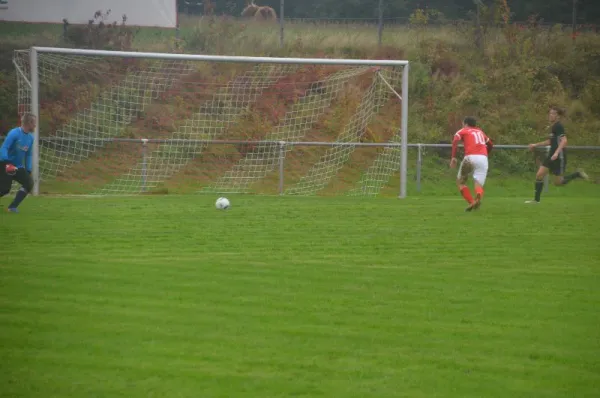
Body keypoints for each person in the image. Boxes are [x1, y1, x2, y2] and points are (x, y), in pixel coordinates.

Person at [525, 106, 588, 204]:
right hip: (551, 156)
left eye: (553, 113)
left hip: (559, 157)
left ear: (558, 116)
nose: (551, 115)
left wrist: (556, 153)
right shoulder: (553, 127)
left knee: (558, 182)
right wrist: (535, 144)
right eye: (550, 113)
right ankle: (536, 200)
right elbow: (550, 141)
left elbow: (564, 141)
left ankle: (577, 174)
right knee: (539, 175)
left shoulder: (559, 126)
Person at [450, 116, 493, 212]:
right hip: (483, 158)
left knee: (460, 182)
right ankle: (478, 196)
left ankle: (471, 202)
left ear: (465, 124)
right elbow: (490, 144)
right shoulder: (481, 132)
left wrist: (453, 157)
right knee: (478, 184)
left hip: (470, 157)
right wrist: (486, 154)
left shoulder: (464, 130)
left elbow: (455, 140)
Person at [0, 113, 36, 213]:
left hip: (17, 167)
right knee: (4, 190)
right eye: (34, 123)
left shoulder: (30, 138)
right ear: (29, 123)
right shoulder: (14, 133)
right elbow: (4, 148)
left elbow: (28, 154)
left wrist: (28, 169)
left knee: (29, 183)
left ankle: (12, 207)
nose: (35, 126)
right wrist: (6, 163)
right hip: (5, 164)